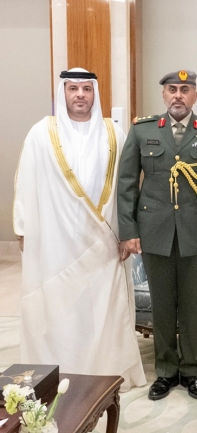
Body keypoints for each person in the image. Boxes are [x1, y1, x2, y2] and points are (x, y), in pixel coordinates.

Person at [13, 68, 146, 392]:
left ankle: (104, 371)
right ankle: (60, 368)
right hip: (55, 240)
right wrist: (22, 227)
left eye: (86, 89)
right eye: (73, 88)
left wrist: (127, 232)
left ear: (94, 93)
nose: (80, 95)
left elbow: (127, 187)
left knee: (101, 308)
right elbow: (25, 181)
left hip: (103, 241)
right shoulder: (41, 133)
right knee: (61, 308)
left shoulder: (113, 133)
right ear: (63, 92)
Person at [117, 70, 197, 401]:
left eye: (185, 89)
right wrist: (128, 231)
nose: (178, 95)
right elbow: (126, 183)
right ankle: (166, 371)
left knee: (192, 303)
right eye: (172, 89)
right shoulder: (143, 130)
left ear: (195, 95)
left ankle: (192, 369)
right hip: (155, 231)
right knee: (162, 303)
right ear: (164, 95)